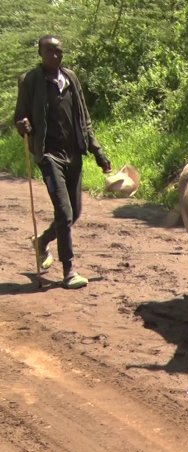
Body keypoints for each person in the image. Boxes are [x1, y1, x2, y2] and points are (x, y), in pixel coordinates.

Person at [14, 35, 113, 289]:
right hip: (48, 155)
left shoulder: (70, 78)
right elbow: (21, 117)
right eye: (50, 52)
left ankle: (41, 242)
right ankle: (69, 271)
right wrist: (23, 125)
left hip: (73, 154)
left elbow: (84, 119)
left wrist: (98, 151)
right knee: (64, 212)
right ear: (40, 53)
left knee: (75, 212)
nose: (55, 56)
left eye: (58, 52)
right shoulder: (31, 81)